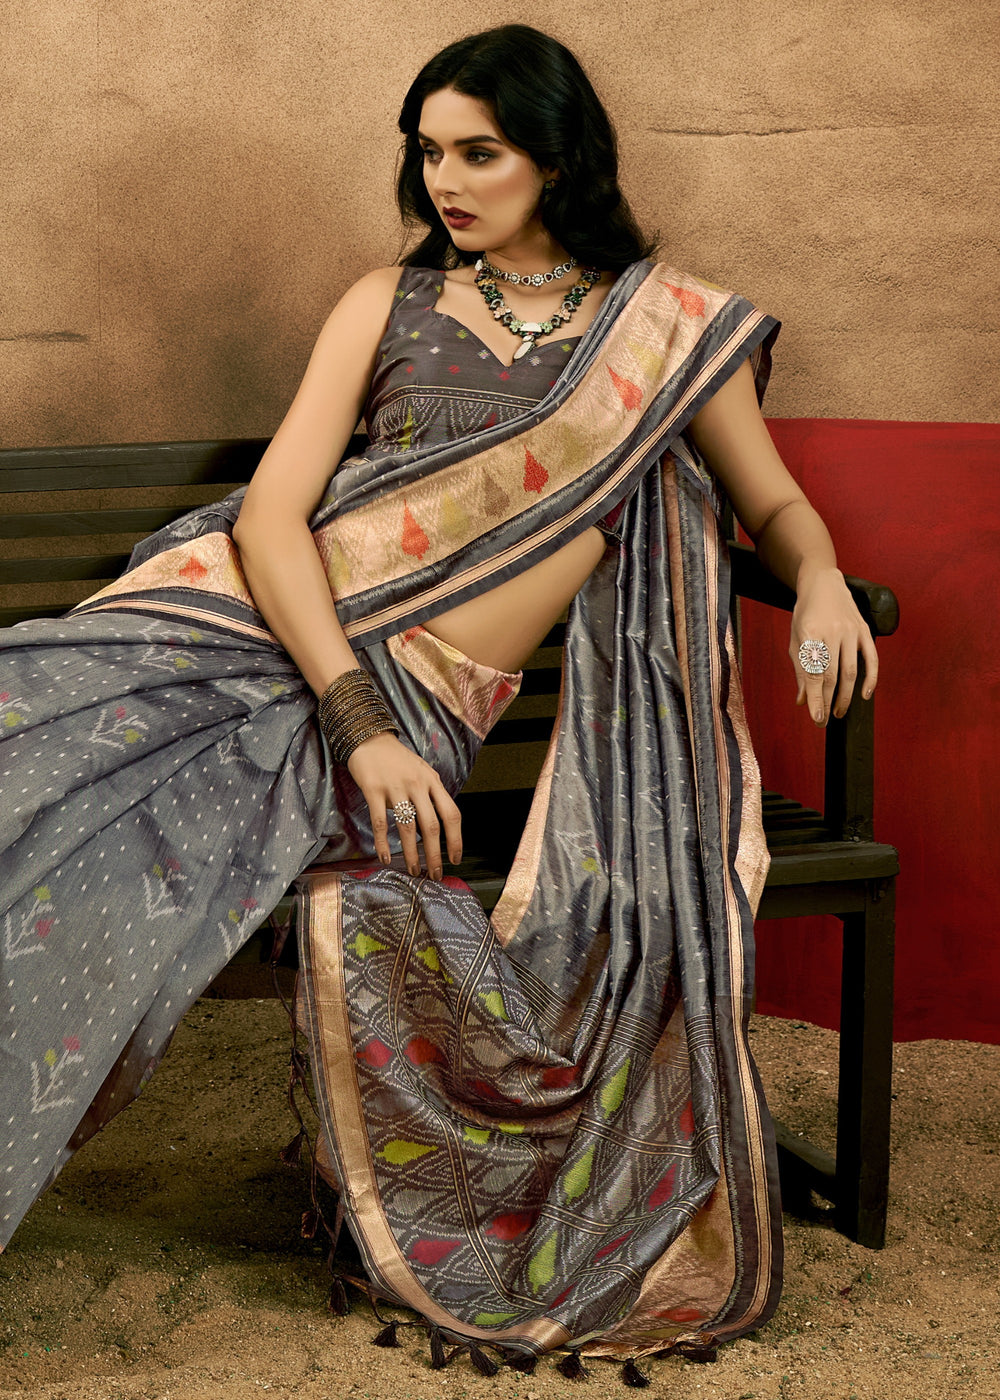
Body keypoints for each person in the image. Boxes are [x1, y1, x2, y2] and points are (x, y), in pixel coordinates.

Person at [0, 24, 878, 1380]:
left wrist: (816, 577)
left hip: (427, 704)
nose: (446, 182)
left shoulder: (665, 333)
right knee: (33, 770)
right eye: (429, 153)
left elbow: (770, 502)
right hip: (274, 644)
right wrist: (354, 719)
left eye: (481, 153)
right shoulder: (386, 301)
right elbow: (275, 520)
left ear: (558, 160)